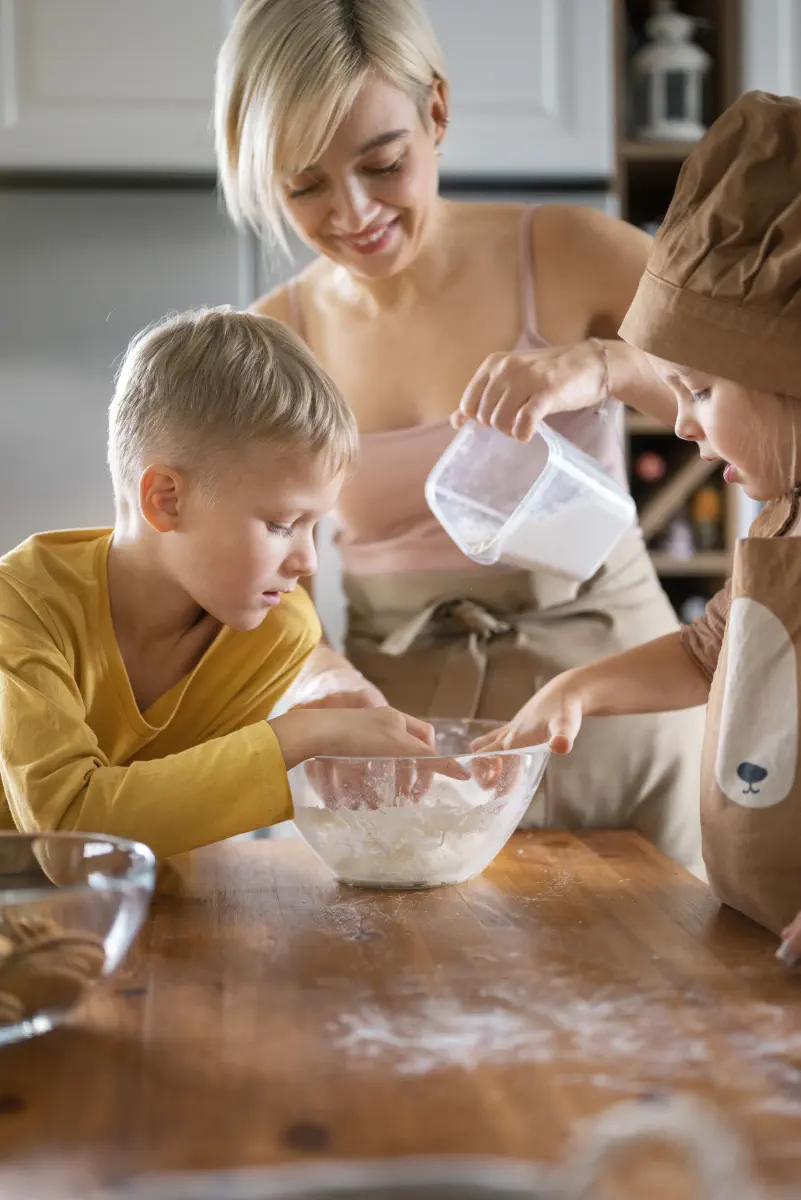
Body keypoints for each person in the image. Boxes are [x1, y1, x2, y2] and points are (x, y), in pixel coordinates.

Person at [214, 0, 705, 873]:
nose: (353, 212)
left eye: (383, 162)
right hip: (410, 753)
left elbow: (765, 401)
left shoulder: (565, 250)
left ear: (435, 111)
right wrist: (318, 673)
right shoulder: (276, 341)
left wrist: (603, 367)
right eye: (305, 185)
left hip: (623, 719)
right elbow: (247, 563)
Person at [472, 91, 801, 957]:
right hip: (752, 936)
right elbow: (706, 654)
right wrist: (572, 689)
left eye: (699, 390)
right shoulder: (782, 527)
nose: (682, 422)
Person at [0, 307, 450, 860]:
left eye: (315, 526)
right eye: (282, 524)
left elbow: (170, 827)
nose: (307, 562)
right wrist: (302, 737)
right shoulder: (20, 606)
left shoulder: (277, 632)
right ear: (165, 499)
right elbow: (72, 841)